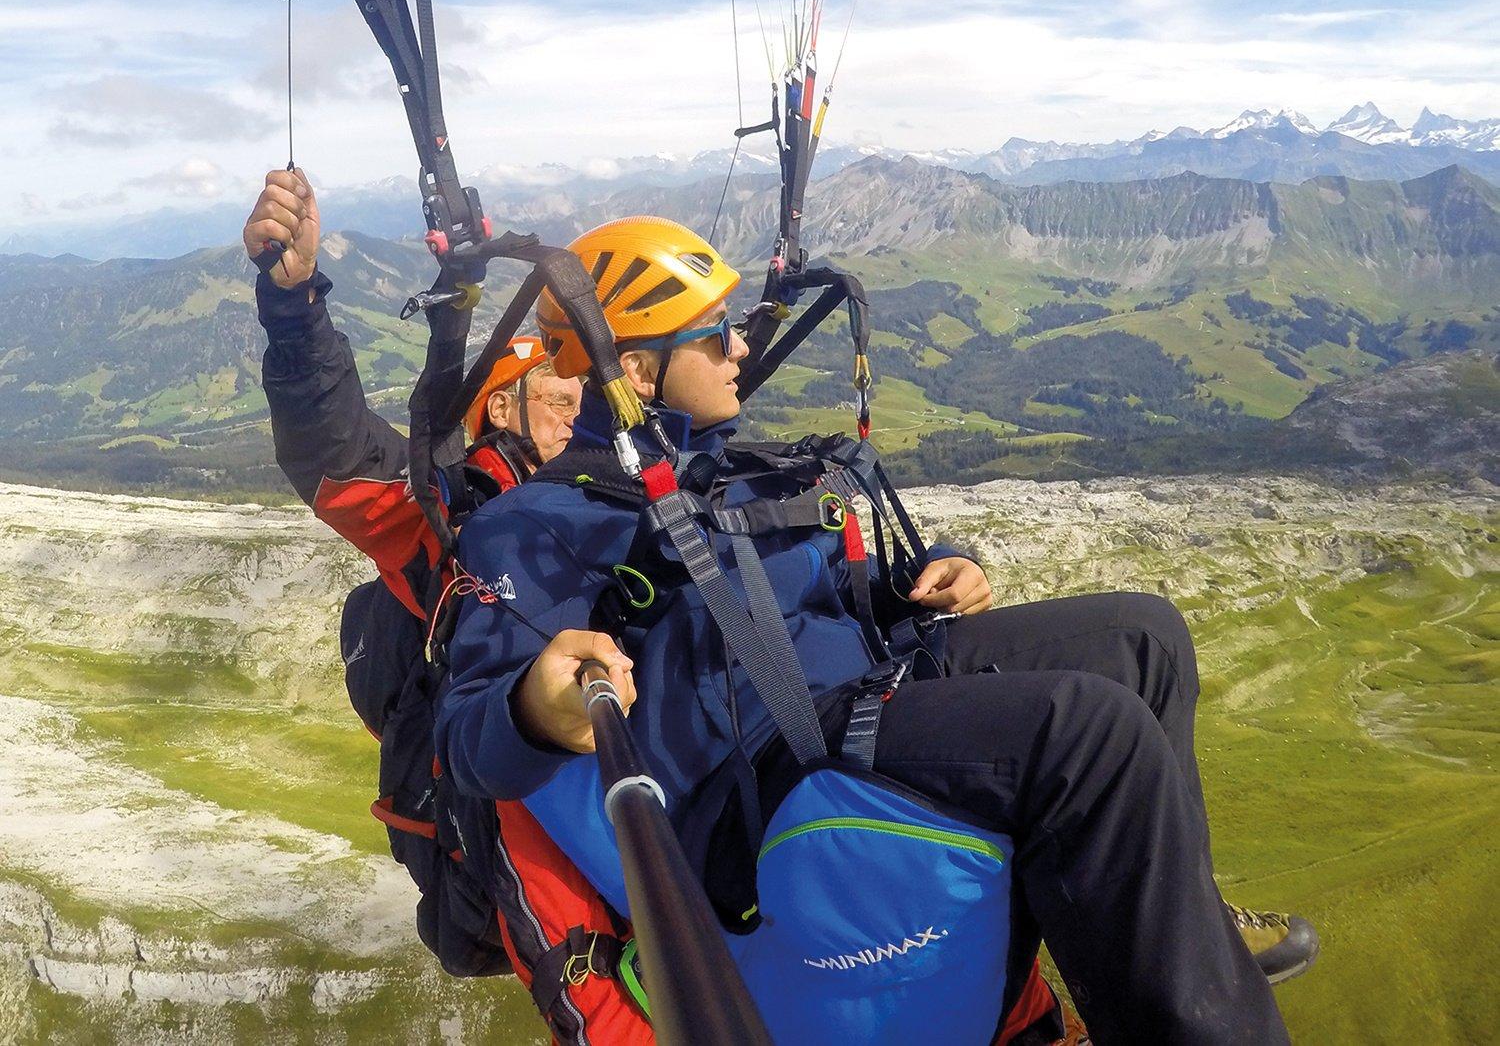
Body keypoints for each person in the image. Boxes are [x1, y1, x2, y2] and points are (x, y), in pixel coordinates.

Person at [435, 216, 1318, 1046]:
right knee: (1091, 736)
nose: (741, 347)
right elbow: (468, 739)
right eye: (713, 335)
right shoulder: (542, 524)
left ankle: (1190, 923)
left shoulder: (718, 469)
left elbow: (819, 587)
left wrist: (940, 566)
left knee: (1144, 637)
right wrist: (535, 708)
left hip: (866, 683)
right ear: (635, 372)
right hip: (772, 771)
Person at [244, 170, 660, 1045]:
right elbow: (332, 451)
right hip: (539, 853)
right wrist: (293, 309)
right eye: (552, 401)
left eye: (576, 399)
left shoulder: (607, 494)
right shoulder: (449, 518)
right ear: (501, 407)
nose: (570, 417)